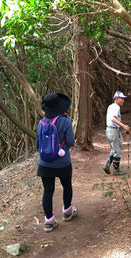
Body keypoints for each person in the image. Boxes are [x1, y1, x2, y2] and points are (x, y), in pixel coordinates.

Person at [37, 93, 77, 232]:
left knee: (48, 191)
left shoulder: (41, 122)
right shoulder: (65, 121)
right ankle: (67, 211)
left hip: (44, 164)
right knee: (66, 186)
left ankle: (49, 221)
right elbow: (71, 142)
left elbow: (38, 144)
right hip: (62, 163)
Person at [103, 90, 130, 175]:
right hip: (113, 130)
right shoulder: (116, 107)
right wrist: (123, 126)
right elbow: (113, 119)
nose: (123, 100)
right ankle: (116, 170)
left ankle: (107, 165)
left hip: (110, 130)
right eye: (121, 98)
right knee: (117, 150)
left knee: (114, 149)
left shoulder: (111, 106)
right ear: (117, 98)